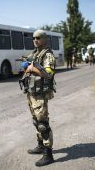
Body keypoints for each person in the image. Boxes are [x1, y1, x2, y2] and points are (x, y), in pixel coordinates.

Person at [20, 30, 56, 166]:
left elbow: (49, 74)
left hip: (40, 93)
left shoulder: (48, 55)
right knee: (36, 121)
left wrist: (31, 69)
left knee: (43, 124)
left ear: (45, 39)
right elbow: (27, 64)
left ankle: (48, 154)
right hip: (32, 91)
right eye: (34, 38)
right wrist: (26, 65)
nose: (35, 40)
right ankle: (40, 146)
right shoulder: (35, 53)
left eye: (38, 38)